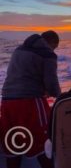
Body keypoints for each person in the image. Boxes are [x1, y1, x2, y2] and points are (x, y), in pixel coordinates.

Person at [0, 30, 61, 168]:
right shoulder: (47, 54)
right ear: (52, 43)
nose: (54, 50)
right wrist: (60, 96)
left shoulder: (19, 50)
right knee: (43, 145)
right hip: (30, 103)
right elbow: (51, 85)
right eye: (55, 47)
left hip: (7, 103)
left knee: (14, 147)